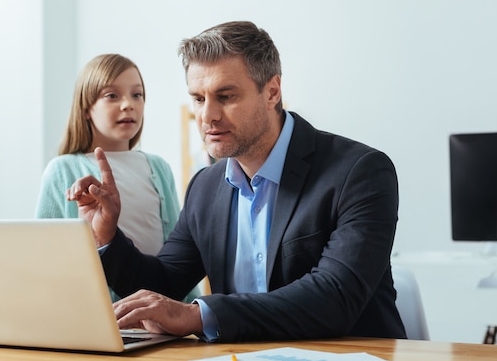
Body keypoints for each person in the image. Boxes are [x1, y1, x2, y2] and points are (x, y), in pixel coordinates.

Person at [67, 21, 406, 343]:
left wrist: (199, 316)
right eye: (198, 99)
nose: (207, 116)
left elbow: (336, 296)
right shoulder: (205, 186)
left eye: (226, 97)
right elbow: (164, 285)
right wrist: (107, 235)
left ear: (272, 91)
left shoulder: (360, 172)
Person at [36, 54, 200, 300]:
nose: (128, 104)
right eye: (112, 95)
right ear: (86, 108)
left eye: (137, 94)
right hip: (101, 317)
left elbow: (176, 250)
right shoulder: (62, 170)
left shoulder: (158, 167)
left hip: (163, 311)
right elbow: (45, 258)